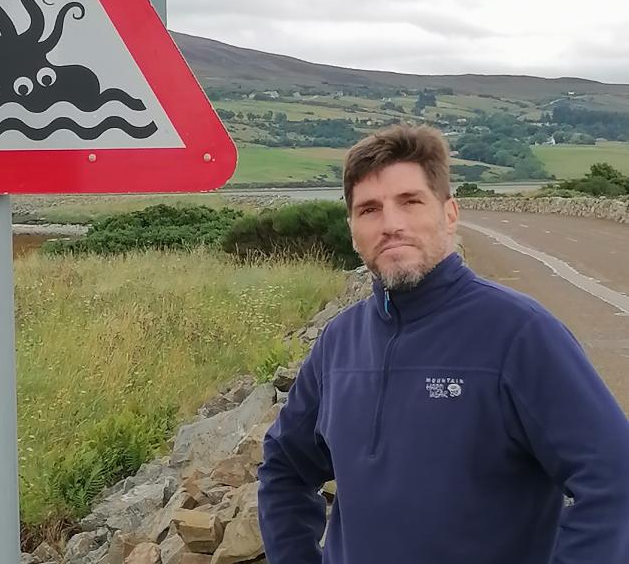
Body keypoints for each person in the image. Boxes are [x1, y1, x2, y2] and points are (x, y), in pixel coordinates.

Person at [257, 124, 629, 563]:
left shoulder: (520, 334)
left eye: (410, 202)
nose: (391, 224)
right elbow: (283, 466)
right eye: (369, 209)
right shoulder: (339, 342)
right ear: (352, 227)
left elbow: (614, 481)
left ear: (449, 213)